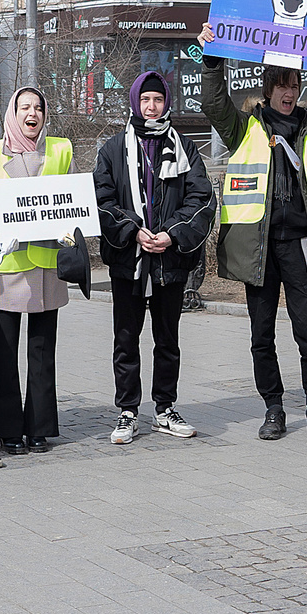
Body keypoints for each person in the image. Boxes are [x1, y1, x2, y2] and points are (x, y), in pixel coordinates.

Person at [198, 50, 307, 440]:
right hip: (257, 249)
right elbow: (213, 103)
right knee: (262, 333)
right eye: (281, 85)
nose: (288, 93)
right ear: (269, 89)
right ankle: (273, 409)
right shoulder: (243, 128)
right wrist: (211, 59)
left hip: (301, 246)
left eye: (293, 85)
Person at [92, 71, 214, 445]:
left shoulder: (185, 148)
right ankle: (128, 411)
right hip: (129, 259)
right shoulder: (113, 149)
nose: (151, 106)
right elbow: (102, 200)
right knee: (126, 338)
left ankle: (164, 408)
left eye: (158, 100)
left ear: (167, 103)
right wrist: (133, 230)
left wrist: (171, 235)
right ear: (134, 102)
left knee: (167, 339)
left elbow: (201, 199)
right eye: (145, 100)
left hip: (169, 262)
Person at [0, 86, 72, 454]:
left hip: (49, 268)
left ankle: (39, 427)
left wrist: (71, 228)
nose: (32, 113)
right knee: (3, 350)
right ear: (13, 114)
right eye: (25, 107)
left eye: (38, 108)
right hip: (9, 267)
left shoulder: (61, 149)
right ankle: (5, 428)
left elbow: (73, 199)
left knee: (42, 351)